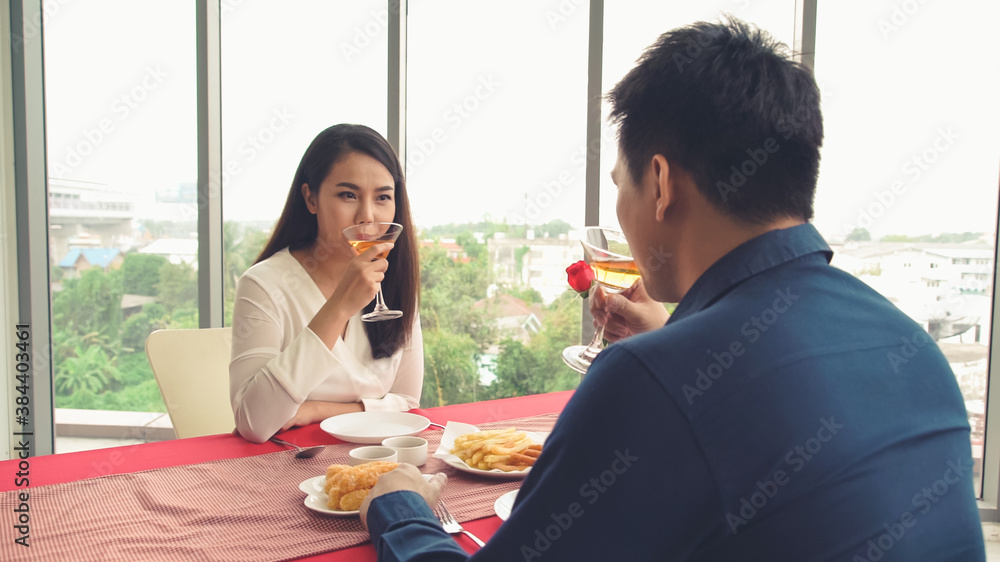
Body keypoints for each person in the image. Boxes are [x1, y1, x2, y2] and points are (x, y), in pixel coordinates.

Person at [358, 18, 986, 561]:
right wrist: (681, 346)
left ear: (660, 183)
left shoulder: (649, 380)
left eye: (619, 183)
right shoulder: (909, 345)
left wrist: (402, 507)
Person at [230, 124, 422, 444]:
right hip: (288, 469)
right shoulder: (264, 285)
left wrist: (316, 409)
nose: (367, 217)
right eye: (348, 195)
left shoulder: (394, 280)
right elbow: (254, 422)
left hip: (380, 462)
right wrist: (338, 308)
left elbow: (408, 404)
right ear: (311, 198)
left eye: (383, 197)